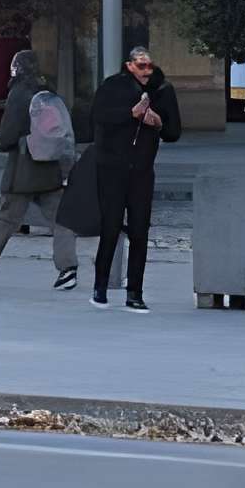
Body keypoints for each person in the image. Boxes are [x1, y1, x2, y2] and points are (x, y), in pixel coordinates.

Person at [0, 48, 79, 291]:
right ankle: (68, 269)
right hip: (49, 169)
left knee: (6, 217)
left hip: (23, 171)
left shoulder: (19, 93)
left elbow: (9, 133)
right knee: (61, 219)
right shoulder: (46, 90)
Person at [87, 44, 182, 310]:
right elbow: (98, 118)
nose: (146, 71)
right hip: (111, 168)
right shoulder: (113, 87)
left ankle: (135, 293)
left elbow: (174, 132)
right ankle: (100, 287)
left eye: (149, 66)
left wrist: (158, 122)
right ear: (129, 66)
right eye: (140, 65)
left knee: (140, 230)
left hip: (142, 169)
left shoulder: (162, 91)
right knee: (111, 226)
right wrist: (131, 115)